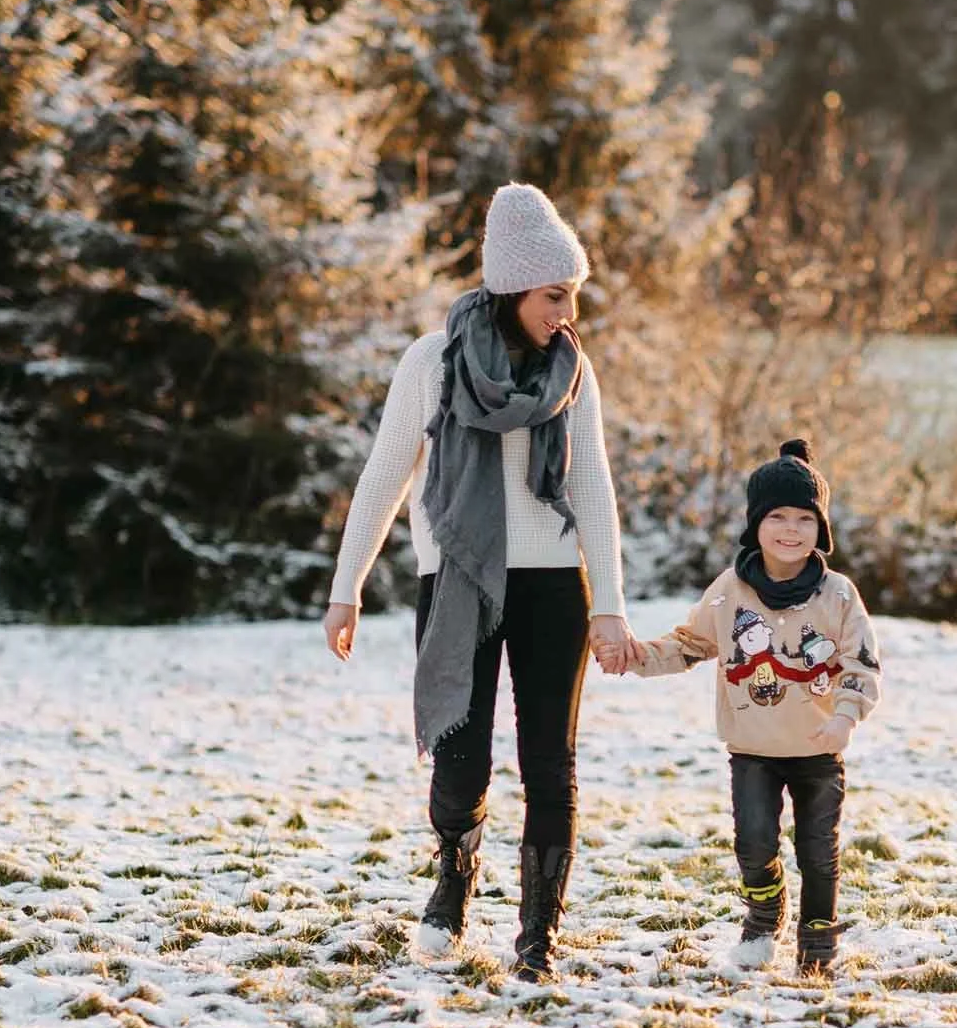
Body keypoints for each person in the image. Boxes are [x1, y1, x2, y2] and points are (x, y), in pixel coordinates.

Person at [323, 182, 643, 983]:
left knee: (549, 764)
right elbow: (385, 474)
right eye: (554, 294)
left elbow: (593, 487)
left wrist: (609, 607)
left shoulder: (571, 371)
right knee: (459, 762)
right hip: (459, 578)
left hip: (553, 588)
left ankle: (539, 931)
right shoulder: (431, 362)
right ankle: (454, 879)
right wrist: (346, 586)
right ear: (512, 287)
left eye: (572, 294)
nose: (567, 312)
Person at [614, 439, 882, 975]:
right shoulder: (729, 591)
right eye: (777, 516)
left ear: (821, 530)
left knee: (818, 852)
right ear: (755, 524)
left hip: (818, 749)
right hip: (753, 750)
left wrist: (845, 717)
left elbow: (862, 662)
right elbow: (690, 644)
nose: (791, 530)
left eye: (805, 519)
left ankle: (818, 943)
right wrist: (637, 657)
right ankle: (764, 917)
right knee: (754, 844)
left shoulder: (838, 595)